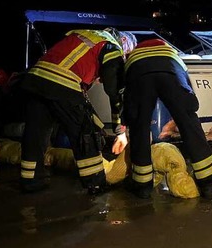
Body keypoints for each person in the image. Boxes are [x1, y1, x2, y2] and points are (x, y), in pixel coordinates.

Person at [18, 28, 137, 194]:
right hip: (62, 83)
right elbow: (114, 90)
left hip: (35, 79)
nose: (124, 58)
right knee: (86, 133)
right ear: (124, 42)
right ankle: (95, 183)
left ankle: (31, 179)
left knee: (36, 133)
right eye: (126, 54)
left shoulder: (86, 35)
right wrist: (120, 130)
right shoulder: (111, 46)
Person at [123, 37, 212, 200]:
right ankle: (209, 184)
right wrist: (182, 114)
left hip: (139, 73)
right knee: (189, 124)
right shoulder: (173, 54)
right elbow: (188, 93)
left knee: (140, 126)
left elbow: (126, 94)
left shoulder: (132, 58)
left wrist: (126, 121)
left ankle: (142, 186)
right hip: (171, 71)